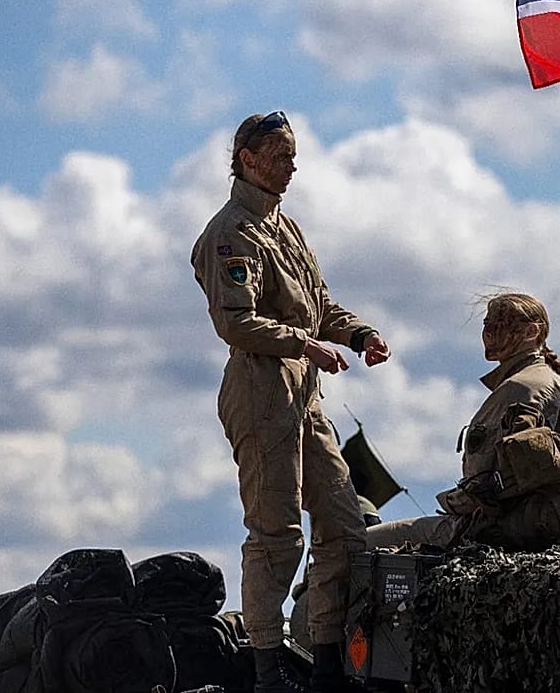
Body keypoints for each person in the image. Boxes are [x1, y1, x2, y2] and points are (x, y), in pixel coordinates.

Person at [191, 111, 392, 693]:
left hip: (305, 397)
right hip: (260, 394)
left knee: (345, 526)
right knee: (276, 534)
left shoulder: (286, 228)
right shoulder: (232, 233)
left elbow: (319, 303)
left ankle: (326, 660)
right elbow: (236, 322)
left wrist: (357, 335)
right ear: (248, 159)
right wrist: (304, 343)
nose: (292, 165)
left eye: (293, 155)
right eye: (281, 155)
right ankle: (267, 668)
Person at [366, 292, 560, 552]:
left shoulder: (520, 389)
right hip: (541, 516)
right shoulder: (558, 385)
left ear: (531, 332)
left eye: (501, 326)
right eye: (487, 325)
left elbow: (484, 479)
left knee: (358, 544)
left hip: (501, 524)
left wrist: (452, 502)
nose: (490, 333)